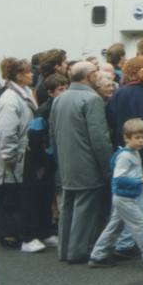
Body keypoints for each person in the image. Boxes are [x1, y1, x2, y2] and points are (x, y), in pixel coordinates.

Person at [51, 61, 113, 264]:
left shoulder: (60, 99)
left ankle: (64, 249)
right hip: (86, 162)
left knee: (68, 205)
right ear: (88, 76)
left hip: (66, 160)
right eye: (95, 72)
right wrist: (107, 166)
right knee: (84, 208)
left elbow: (53, 133)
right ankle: (77, 251)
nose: (98, 74)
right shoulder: (92, 99)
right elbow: (99, 137)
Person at [87, 118, 143, 270]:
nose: (141, 141)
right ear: (126, 137)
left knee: (114, 227)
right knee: (140, 224)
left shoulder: (132, 153)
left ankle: (98, 255)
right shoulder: (126, 156)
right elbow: (119, 178)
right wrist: (140, 180)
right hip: (125, 197)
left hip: (124, 196)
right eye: (137, 138)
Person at [0, 58, 41, 251]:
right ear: (19, 76)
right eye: (28, 72)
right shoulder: (9, 99)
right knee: (10, 197)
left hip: (21, 154)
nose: (32, 75)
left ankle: (21, 234)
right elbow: (4, 131)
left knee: (19, 195)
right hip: (11, 158)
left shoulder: (24, 93)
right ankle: (13, 238)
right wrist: (9, 155)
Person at [24, 73, 68, 252]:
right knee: (34, 197)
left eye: (66, 88)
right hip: (38, 161)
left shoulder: (60, 108)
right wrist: (45, 155)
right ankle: (28, 237)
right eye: (60, 90)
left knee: (47, 196)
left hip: (50, 159)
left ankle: (45, 231)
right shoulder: (43, 111)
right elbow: (34, 137)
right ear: (50, 92)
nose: (64, 92)